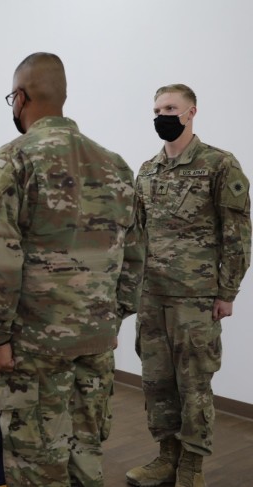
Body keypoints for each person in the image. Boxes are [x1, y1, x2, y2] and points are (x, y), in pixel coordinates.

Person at [0, 52, 144, 487]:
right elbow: (136, 254)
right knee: (86, 450)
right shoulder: (116, 164)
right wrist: (111, 315)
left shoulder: (12, 160)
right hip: (97, 337)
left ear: (21, 97)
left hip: (34, 344)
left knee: (36, 460)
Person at [126, 84, 251, 487]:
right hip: (152, 295)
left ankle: (192, 467)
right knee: (156, 382)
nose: (162, 114)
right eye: (157, 108)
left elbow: (237, 235)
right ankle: (166, 457)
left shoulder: (219, 164)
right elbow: (136, 233)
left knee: (194, 383)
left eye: (171, 108)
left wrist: (227, 292)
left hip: (195, 298)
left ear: (191, 111)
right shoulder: (147, 169)